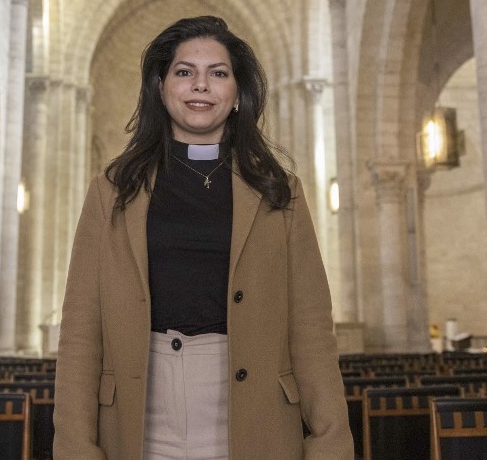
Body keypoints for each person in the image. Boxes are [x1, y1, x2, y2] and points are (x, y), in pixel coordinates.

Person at [53, 15, 353, 460]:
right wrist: (76, 447)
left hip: (252, 411)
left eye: (218, 73)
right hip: (142, 411)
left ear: (237, 95)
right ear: (160, 88)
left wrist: (330, 444)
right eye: (184, 72)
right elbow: (81, 329)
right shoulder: (113, 188)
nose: (201, 85)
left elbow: (310, 328)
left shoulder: (279, 191)